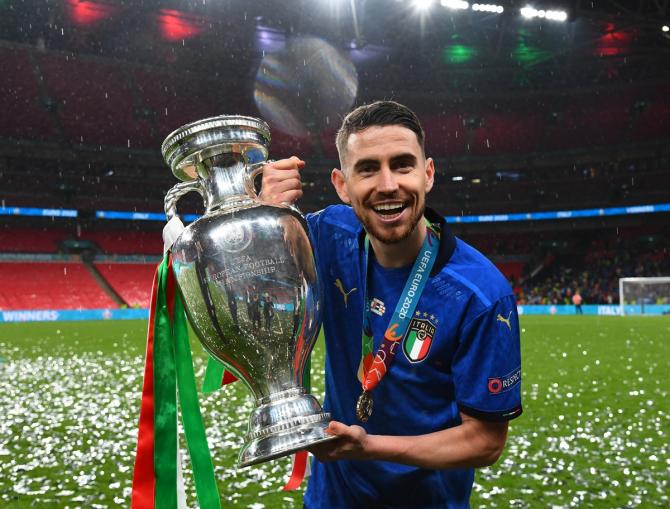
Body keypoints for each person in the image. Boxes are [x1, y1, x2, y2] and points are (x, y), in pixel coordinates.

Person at [260, 101, 522, 508]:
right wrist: (264, 214)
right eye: (367, 168)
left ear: (428, 173)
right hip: (332, 498)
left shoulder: (482, 295)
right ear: (341, 185)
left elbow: (485, 442)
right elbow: (252, 289)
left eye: (402, 165)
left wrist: (368, 446)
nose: (387, 185)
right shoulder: (326, 234)